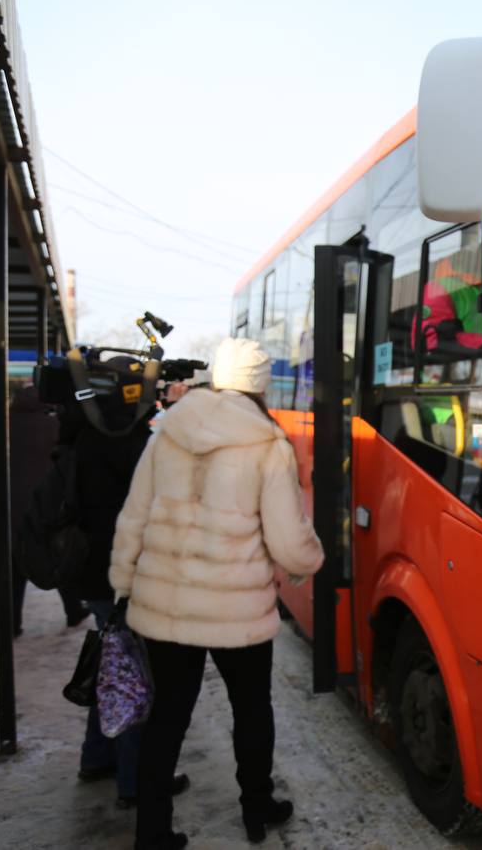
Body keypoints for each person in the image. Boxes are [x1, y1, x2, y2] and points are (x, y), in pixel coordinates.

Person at [111, 338, 324, 849]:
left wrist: (123, 582)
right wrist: (309, 563)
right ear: (258, 385)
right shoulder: (267, 442)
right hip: (237, 609)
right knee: (252, 710)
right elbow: (289, 540)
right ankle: (257, 808)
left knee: (166, 719)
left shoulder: (170, 430)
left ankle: (152, 832)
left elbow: (134, 514)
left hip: (167, 606)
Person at [63, 357, 184, 808]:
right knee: (134, 675)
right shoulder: (133, 444)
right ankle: (135, 781)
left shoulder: (86, 436)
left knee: (113, 661)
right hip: (126, 574)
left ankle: (96, 756)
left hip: (92, 572)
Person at [0, 386, 88, 634]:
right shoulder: (53, 426)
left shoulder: (3, 426)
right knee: (58, 558)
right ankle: (73, 610)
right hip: (46, 505)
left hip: (11, 507)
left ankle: (12, 623)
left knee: (15, 568)